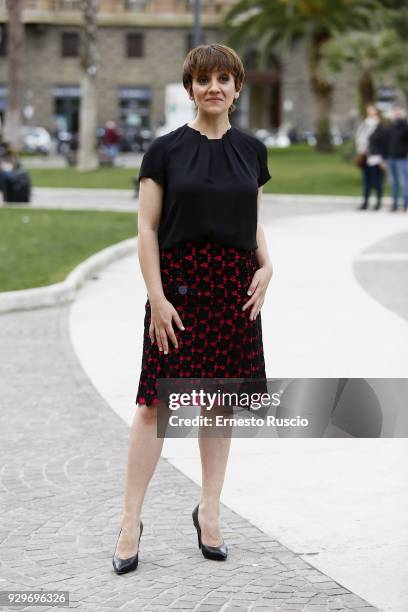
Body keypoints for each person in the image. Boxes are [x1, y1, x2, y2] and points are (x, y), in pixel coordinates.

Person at [112, 43, 273, 574]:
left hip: (233, 291)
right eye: (204, 79)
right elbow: (147, 228)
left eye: (224, 79)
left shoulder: (252, 150)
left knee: (217, 403)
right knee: (154, 406)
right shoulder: (164, 151)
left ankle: (209, 511)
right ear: (190, 89)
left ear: (237, 88)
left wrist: (267, 265)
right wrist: (156, 297)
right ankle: (130, 521)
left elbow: (252, 218)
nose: (214, 87)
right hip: (178, 292)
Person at [355, 105, 389, 211]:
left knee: (377, 181)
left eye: (372, 111)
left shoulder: (381, 127)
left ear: (376, 112)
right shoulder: (364, 124)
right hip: (364, 156)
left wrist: (383, 159)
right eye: (368, 111)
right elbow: (359, 138)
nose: (370, 112)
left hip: (376, 158)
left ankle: (378, 202)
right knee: (366, 181)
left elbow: (384, 144)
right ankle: (365, 202)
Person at [385, 104, 408, 212]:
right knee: (393, 183)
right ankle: (394, 205)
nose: (397, 113)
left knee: (403, 182)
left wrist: (404, 120)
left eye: (400, 112)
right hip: (391, 158)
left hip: (402, 159)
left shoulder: (405, 126)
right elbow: (387, 142)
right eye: (396, 112)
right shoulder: (391, 126)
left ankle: (405, 204)